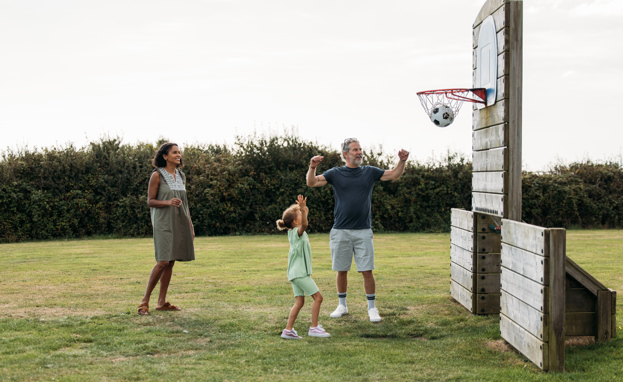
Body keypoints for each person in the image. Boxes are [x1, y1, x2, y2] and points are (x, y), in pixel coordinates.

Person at [306, 138, 409, 322]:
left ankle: (372, 309)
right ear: (345, 154)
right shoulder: (335, 173)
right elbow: (312, 183)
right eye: (355, 150)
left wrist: (402, 161)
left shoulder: (369, 172)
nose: (359, 152)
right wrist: (312, 167)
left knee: (367, 270)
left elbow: (393, 175)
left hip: (363, 230)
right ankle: (342, 305)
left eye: (360, 149)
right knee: (341, 269)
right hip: (340, 231)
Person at [138, 142, 195, 315]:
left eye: (179, 152)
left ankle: (161, 302)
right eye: (174, 152)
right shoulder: (157, 175)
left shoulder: (181, 175)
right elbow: (150, 201)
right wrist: (167, 202)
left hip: (180, 221)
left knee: (171, 261)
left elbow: (185, 203)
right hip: (163, 221)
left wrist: (190, 225)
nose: (178, 155)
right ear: (165, 156)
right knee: (163, 261)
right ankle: (144, 302)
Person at [276, 195, 331, 339]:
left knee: (299, 302)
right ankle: (314, 328)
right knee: (318, 298)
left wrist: (304, 208)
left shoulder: (293, 233)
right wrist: (302, 209)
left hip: (295, 274)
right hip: (300, 274)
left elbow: (304, 222)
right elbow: (305, 224)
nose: (302, 214)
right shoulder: (297, 233)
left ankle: (288, 330)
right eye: (300, 214)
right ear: (295, 221)